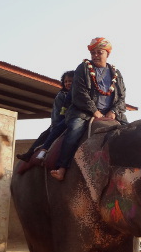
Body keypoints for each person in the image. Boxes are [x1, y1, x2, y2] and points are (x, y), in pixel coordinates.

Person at [50, 37, 127, 181]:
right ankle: (62, 168)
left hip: (112, 114)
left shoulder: (116, 73)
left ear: (107, 54)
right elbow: (79, 93)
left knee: (131, 134)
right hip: (84, 112)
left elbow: (122, 97)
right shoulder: (83, 68)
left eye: (99, 52)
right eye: (93, 53)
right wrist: (95, 111)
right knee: (74, 131)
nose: (96, 56)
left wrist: (114, 111)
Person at [18, 70, 74, 162]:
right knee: (45, 135)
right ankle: (30, 153)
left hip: (75, 119)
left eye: (70, 81)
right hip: (61, 121)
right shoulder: (62, 95)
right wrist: (56, 126)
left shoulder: (79, 93)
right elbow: (57, 112)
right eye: (66, 82)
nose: (68, 83)